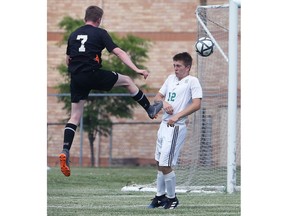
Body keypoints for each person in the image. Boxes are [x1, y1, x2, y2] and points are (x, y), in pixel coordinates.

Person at [59, 5, 163, 177]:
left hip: (76, 77)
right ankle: (150, 109)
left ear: (85, 18)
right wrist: (137, 69)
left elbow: (68, 60)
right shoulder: (100, 33)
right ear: (99, 19)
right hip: (92, 73)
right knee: (128, 81)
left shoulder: (73, 34)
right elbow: (119, 52)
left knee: (75, 116)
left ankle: (65, 150)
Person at [147, 52, 202, 209]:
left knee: (165, 163)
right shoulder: (170, 79)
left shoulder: (192, 81)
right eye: (174, 65)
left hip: (175, 127)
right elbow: (157, 97)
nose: (175, 69)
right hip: (164, 125)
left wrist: (178, 115)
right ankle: (159, 196)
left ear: (187, 67)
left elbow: (197, 104)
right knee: (158, 162)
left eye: (179, 66)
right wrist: (163, 103)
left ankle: (172, 198)